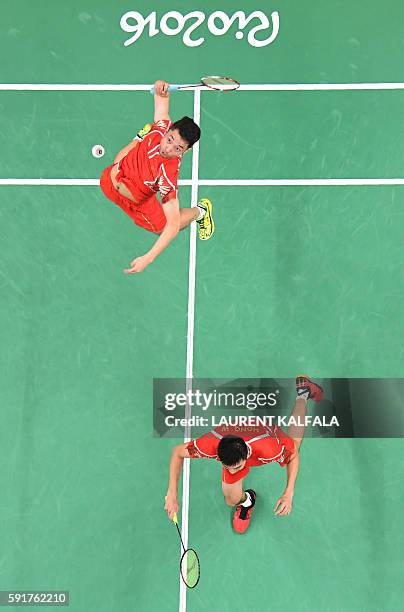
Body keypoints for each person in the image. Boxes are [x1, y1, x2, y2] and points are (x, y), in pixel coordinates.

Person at [164, 375, 324, 533]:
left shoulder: (270, 449)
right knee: (230, 500)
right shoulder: (209, 445)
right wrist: (172, 492)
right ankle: (248, 501)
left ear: (246, 455)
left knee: (294, 446)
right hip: (238, 438)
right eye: (228, 467)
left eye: (238, 467)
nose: (233, 471)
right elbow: (178, 452)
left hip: (265, 434)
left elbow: (293, 456)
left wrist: (289, 492)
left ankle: (303, 393)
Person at [100, 79, 214, 274]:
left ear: (184, 152)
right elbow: (161, 99)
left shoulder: (167, 175)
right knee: (119, 160)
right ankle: (140, 139)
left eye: (177, 148)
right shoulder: (161, 126)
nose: (168, 149)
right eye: (170, 140)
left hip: (138, 203)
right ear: (168, 130)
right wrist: (160, 86)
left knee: (161, 227)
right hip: (111, 181)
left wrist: (148, 258)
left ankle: (200, 212)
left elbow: (171, 225)